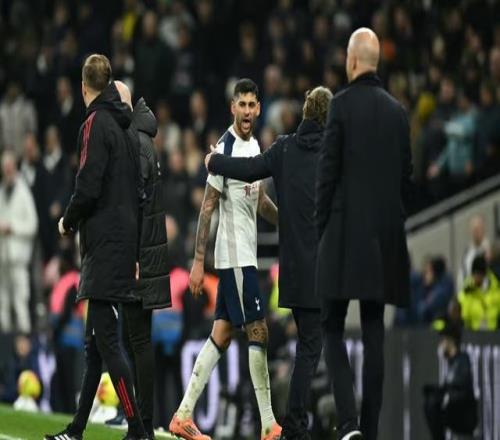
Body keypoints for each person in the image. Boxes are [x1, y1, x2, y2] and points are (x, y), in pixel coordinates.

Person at [206, 86, 334, 440]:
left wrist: (215, 161)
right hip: (321, 269)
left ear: (305, 112)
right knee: (312, 348)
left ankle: (296, 423)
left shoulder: (284, 147)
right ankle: (297, 425)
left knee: (307, 346)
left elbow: (249, 170)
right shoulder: (330, 153)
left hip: (290, 272)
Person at [169, 78, 282, 440]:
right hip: (235, 257)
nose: (247, 111)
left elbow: (259, 201)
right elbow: (207, 207)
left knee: (221, 333)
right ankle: (268, 424)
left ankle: (182, 415)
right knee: (258, 329)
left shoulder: (254, 146)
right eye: (241, 104)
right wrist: (197, 261)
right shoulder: (225, 147)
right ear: (233, 107)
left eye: (252, 105)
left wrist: (286, 221)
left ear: (259, 108)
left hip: (243, 256)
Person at [315, 28, 413, 440]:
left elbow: (327, 175)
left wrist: (320, 230)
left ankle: (349, 424)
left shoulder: (340, 106)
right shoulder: (398, 113)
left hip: (343, 236)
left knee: (331, 325)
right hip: (384, 240)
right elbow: (407, 177)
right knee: (374, 330)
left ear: (352, 61)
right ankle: (369, 431)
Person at [45, 54, 149, 440]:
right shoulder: (127, 129)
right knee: (94, 347)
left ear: (83, 86)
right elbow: (137, 193)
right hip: (122, 245)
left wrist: (67, 221)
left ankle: (136, 428)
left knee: (107, 342)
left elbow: (87, 186)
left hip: (103, 248)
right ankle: (76, 430)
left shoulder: (95, 123)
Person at [113, 81, 171, 438]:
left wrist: (132, 254)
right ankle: (140, 423)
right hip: (144, 252)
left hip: (138, 256)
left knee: (137, 341)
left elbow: (135, 205)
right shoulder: (142, 139)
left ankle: (143, 424)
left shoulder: (135, 142)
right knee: (135, 340)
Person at [0, 150, 38, 335]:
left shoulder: (23, 192)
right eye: (4, 167)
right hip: (3, 256)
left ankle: (26, 342)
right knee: (3, 301)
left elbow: (32, 225)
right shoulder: (1, 191)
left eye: (9, 167)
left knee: (21, 300)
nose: (7, 170)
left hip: (18, 257)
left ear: (14, 167)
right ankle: (4, 343)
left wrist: (12, 228)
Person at [423, 322, 477, 440]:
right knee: (431, 402)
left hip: (464, 415)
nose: (441, 344)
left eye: (443, 340)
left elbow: (460, 390)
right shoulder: (453, 362)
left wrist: (445, 397)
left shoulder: (462, 361)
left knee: (433, 405)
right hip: (455, 411)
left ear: (450, 342)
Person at [458, 255, 500, 331]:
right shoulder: (467, 291)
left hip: (494, 333)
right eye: (474, 274)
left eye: (478, 274)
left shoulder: (495, 289)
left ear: (484, 275)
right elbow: (464, 316)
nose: (476, 278)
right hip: (474, 333)